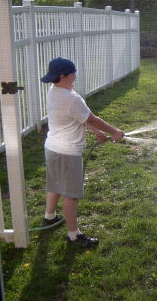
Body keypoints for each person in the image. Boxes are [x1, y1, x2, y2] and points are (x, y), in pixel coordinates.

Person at [40, 57, 124, 248]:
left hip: (52, 147)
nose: (75, 76)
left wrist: (94, 131)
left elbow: (78, 117)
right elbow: (94, 119)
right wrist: (115, 132)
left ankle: (49, 217)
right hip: (67, 152)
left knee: (55, 184)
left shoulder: (55, 91)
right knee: (71, 195)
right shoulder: (72, 99)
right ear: (63, 76)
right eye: (73, 73)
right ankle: (73, 236)